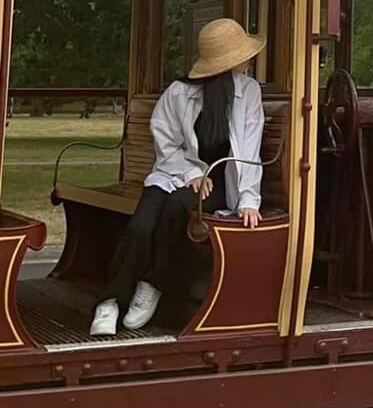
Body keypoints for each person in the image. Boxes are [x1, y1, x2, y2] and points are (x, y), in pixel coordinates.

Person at [90, 18, 266, 337]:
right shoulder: (179, 93)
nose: (248, 61)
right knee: (141, 226)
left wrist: (249, 199)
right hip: (172, 173)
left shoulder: (249, 92)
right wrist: (191, 173)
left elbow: (249, 150)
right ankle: (110, 301)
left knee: (176, 210)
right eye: (242, 56)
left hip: (220, 181)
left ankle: (152, 283)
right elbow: (166, 142)